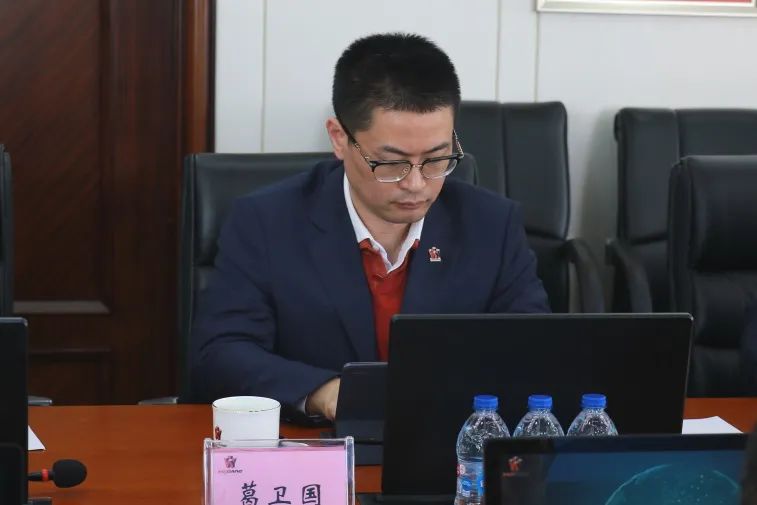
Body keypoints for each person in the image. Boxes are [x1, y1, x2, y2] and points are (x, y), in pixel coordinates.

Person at [190, 33, 549, 420]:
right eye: (392, 163)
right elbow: (220, 355)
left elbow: (534, 350)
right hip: (313, 443)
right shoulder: (265, 222)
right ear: (339, 138)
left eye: (436, 159)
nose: (416, 184)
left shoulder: (491, 226)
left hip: (449, 442)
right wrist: (323, 393)